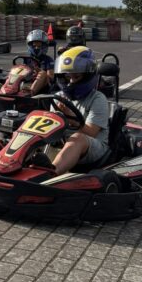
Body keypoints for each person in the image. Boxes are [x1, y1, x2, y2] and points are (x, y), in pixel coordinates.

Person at [49, 46, 110, 176]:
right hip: (64, 140)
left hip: (94, 146)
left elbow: (91, 133)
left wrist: (70, 118)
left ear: (88, 76)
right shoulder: (59, 96)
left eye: (76, 77)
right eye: (67, 77)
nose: (70, 82)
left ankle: (51, 174)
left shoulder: (98, 99)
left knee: (77, 138)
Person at [25, 29, 55, 95]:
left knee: (43, 73)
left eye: (39, 46)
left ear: (44, 46)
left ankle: (31, 92)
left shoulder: (48, 60)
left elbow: (51, 77)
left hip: (44, 86)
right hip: (29, 81)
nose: (36, 48)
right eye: (34, 46)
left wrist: (39, 71)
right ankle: (8, 88)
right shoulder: (27, 59)